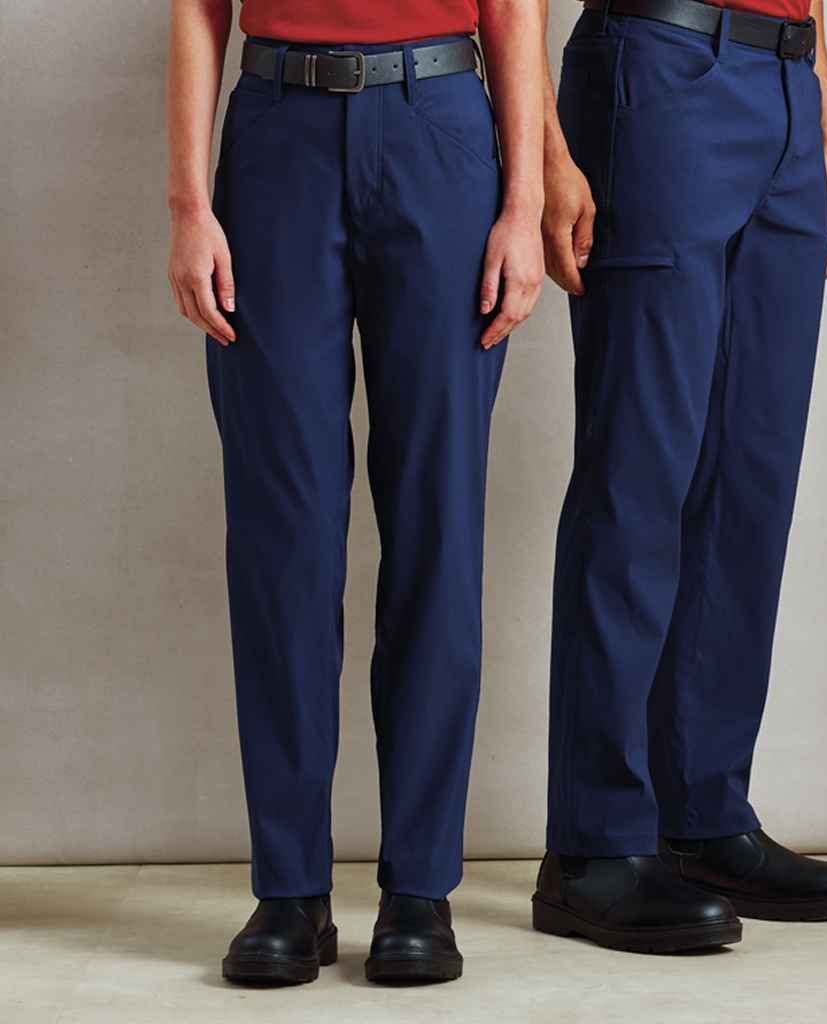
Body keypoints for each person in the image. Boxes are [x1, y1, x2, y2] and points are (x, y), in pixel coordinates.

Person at [166, 0, 544, 986]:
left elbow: (514, 8)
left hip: (440, 127)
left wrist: (524, 203)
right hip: (276, 137)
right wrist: (189, 205)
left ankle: (420, 887)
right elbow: (198, 9)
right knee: (282, 535)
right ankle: (289, 888)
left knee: (437, 525)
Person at [534, 0, 827, 954]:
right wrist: (547, 152)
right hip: (660, 66)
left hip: (784, 85)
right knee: (639, 472)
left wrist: (824, 120)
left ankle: (704, 816)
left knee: (750, 478)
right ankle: (593, 845)